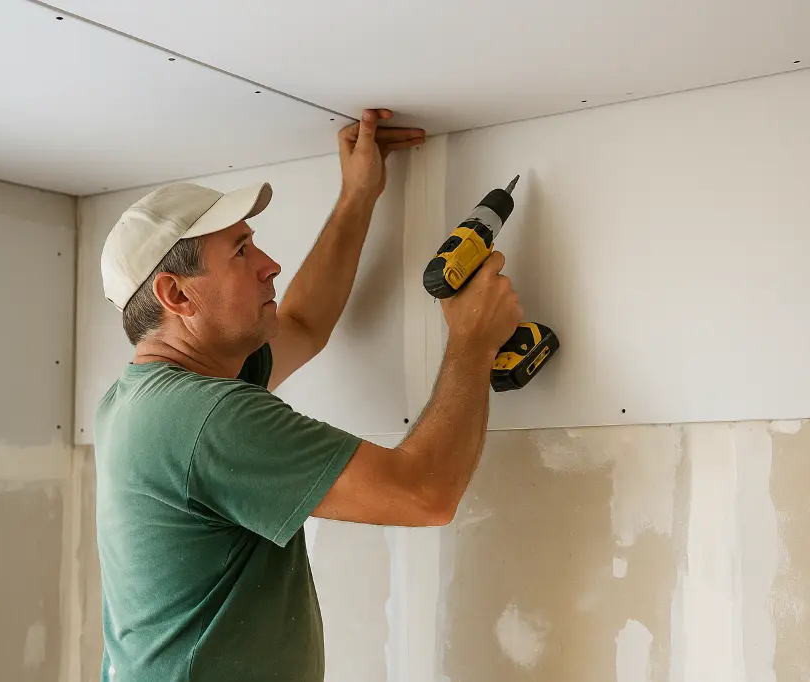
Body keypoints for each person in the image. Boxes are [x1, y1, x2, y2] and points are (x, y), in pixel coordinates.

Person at [93, 109, 524, 682]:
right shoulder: (207, 418)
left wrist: (358, 196)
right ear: (175, 294)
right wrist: (472, 342)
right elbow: (425, 494)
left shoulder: (144, 401)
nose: (270, 264)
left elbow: (301, 323)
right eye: (241, 251)